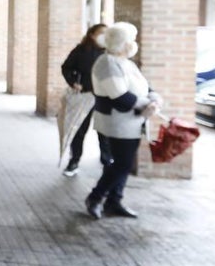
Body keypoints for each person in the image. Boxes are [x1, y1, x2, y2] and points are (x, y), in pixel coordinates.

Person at [85, 22, 160, 220]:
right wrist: (147, 104)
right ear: (122, 43)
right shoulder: (107, 63)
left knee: (123, 163)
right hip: (116, 122)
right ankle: (95, 197)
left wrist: (154, 98)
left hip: (132, 122)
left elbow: (144, 87)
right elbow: (119, 96)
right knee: (122, 164)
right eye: (130, 41)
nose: (133, 44)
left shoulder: (127, 63)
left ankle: (114, 201)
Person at [59, 23, 112, 176]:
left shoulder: (110, 52)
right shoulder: (81, 50)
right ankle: (74, 161)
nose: (104, 36)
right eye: (101, 33)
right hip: (85, 96)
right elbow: (66, 67)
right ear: (92, 34)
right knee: (79, 129)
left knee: (104, 131)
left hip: (104, 97)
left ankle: (106, 161)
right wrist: (73, 81)